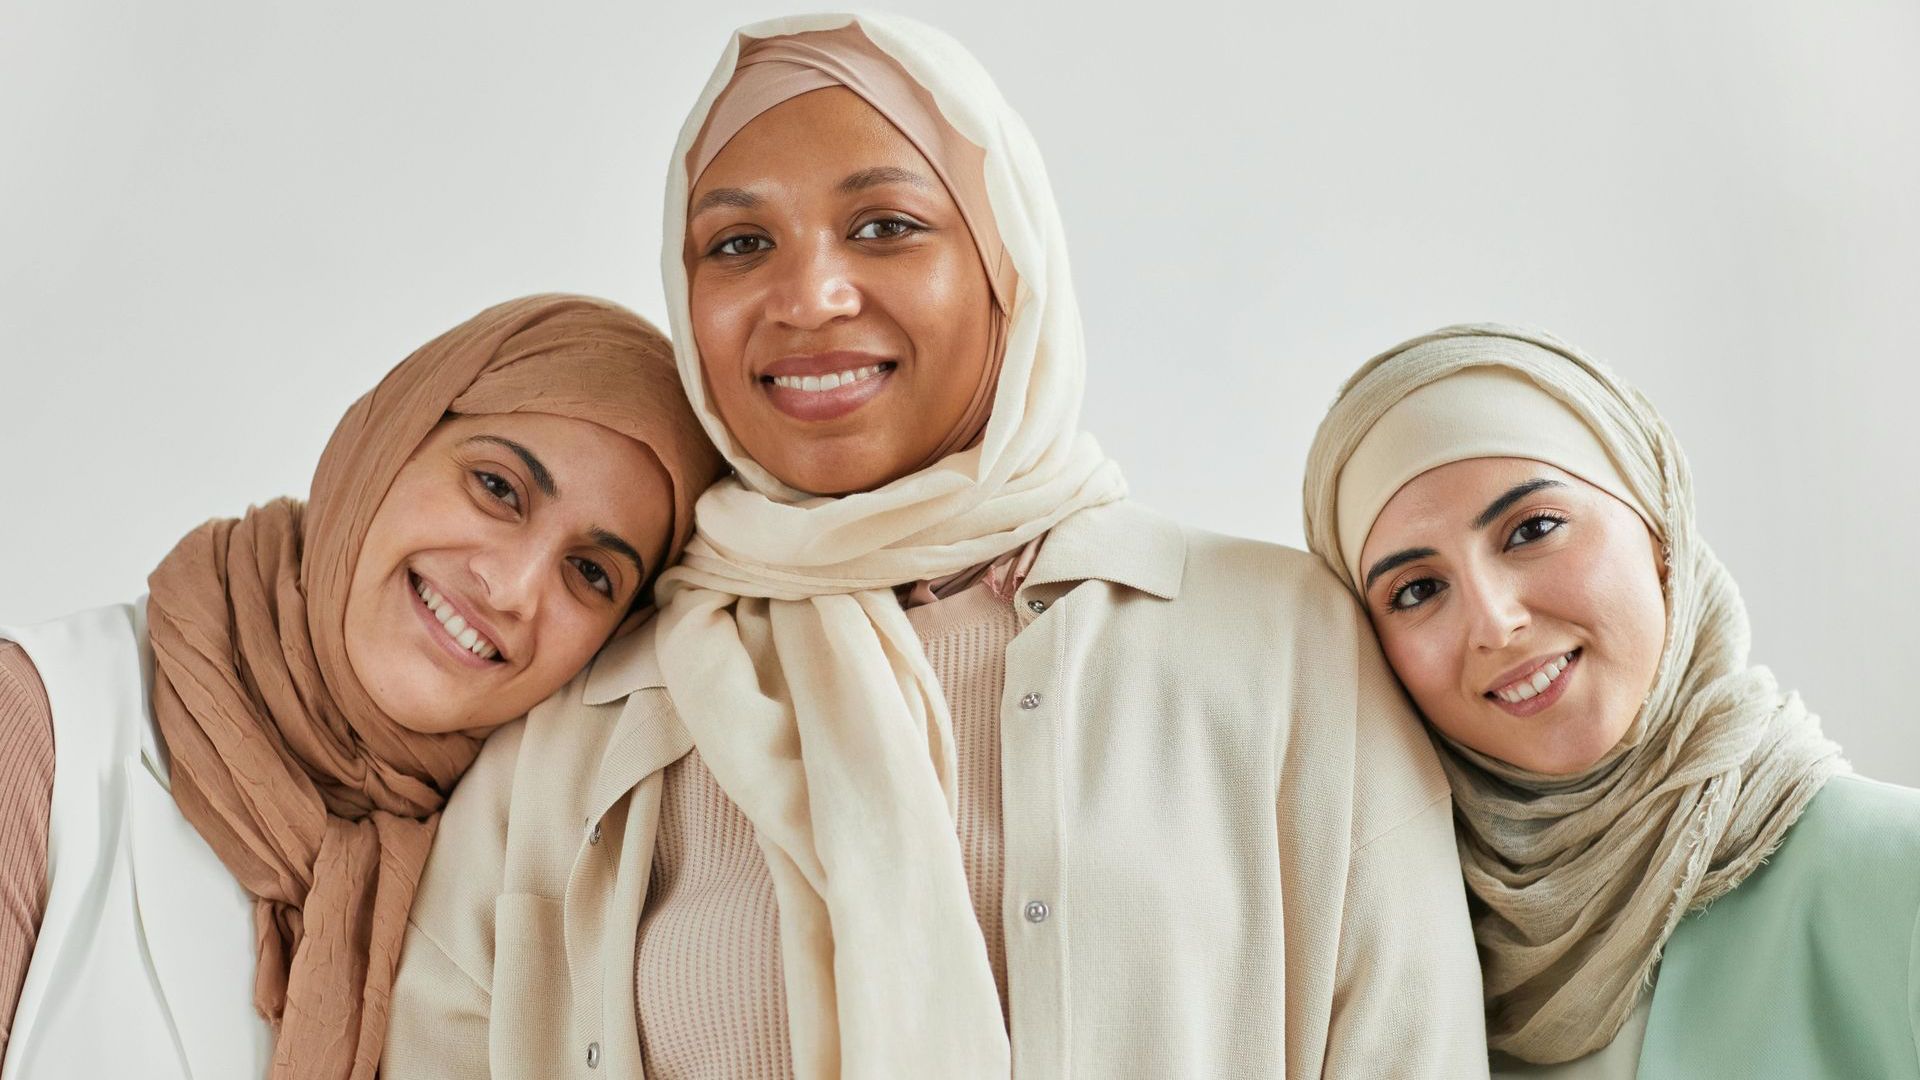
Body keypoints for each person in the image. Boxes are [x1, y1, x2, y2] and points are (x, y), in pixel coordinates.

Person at [385, 14, 1485, 1079]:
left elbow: (1410, 1042)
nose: (808, 295)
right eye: (739, 243)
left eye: (885, 227)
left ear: (1008, 267)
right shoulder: (584, 721)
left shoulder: (1281, 641)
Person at [0, 294, 723, 1080]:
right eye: (498, 487)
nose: (513, 588)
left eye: (591, 573)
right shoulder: (40, 730)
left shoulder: (510, 883)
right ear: (388, 440)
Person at [1301, 323, 1917, 1078]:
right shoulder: (1365, 959)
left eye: (1533, 528)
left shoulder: (1894, 880)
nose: (1496, 623)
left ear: (1660, 529)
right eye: (1418, 590)